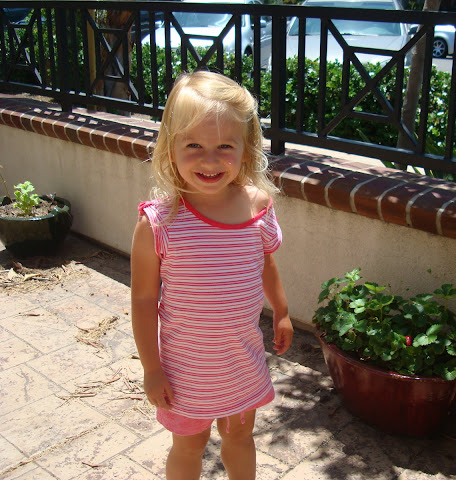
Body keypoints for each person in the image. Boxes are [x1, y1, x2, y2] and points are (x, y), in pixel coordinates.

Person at [130, 71, 293, 480]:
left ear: (246, 148)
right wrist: (152, 369)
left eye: (224, 145)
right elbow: (144, 301)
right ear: (170, 149)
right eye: (194, 145)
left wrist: (283, 310)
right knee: (189, 446)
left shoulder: (258, 207)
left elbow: (266, 264)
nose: (209, 159)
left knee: (240, 439)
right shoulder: (159, 222)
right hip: (185, 370)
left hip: (241, 360)